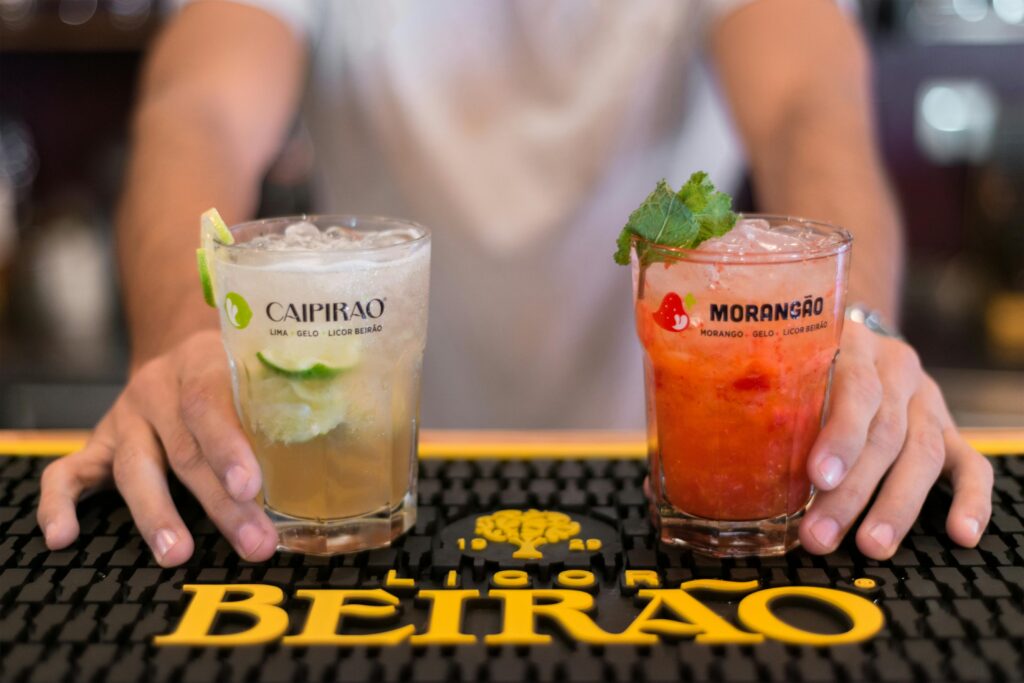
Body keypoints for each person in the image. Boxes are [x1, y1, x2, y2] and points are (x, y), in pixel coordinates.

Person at [37, 0, 993, 567]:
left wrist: (851, 329)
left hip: (675, 505)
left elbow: (808, 106)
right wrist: (181, 339)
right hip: (354, 502)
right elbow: (196, 107)